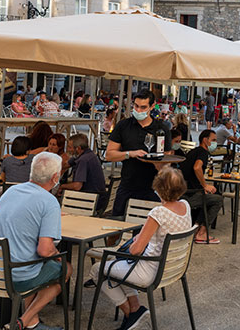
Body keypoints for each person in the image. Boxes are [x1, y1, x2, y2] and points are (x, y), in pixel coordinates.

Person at [89, 166, 192, 330]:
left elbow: (135, 250)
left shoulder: (159, 212)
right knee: (117, 266)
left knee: (97, 269)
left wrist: (137, 241)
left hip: (151, 270)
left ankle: (130, 313)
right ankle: (136, 308)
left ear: (158, 188)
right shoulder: (185, 206)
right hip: (173, 268)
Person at [0, 153, 72, 330]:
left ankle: (32, 323)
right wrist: (57, 255)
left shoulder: (11, 191)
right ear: (55, 177)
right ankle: (24, 321)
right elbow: (45, 250)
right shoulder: (49, 201)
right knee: (65, 269)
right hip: (16, 275)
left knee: (34, 260)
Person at [106, 89, 172, 217]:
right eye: (136, 106)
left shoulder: (161, 129)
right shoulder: (123, 126)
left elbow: (166, 161)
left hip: (151, 188)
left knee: (145, 230)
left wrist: (156, 162)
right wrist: (129, 154)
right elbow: (109, 155)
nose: (139, 110)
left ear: (152, 106)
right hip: (127, 184)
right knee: (116, 226)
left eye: (143, 107)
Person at [178, 129, 223, 244]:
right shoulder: (203, 152)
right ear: (205, 140)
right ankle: (201, 233)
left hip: (183, 191)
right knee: (218, 200)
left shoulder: (193, 151)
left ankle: (196, 228)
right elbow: (197, 167)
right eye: (213, 140)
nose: (215, 143)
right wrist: (205, 185)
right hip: (190, 194)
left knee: (209, 196)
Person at [57, 133, 107, 211]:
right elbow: (65, 165)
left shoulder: (83, 160)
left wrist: (61, 186)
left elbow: (77, 186)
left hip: (90, 200)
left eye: (70, 147)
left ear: (78, 148)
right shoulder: (89, 154)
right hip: (99, 197)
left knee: (56, 201)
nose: (68, 150)